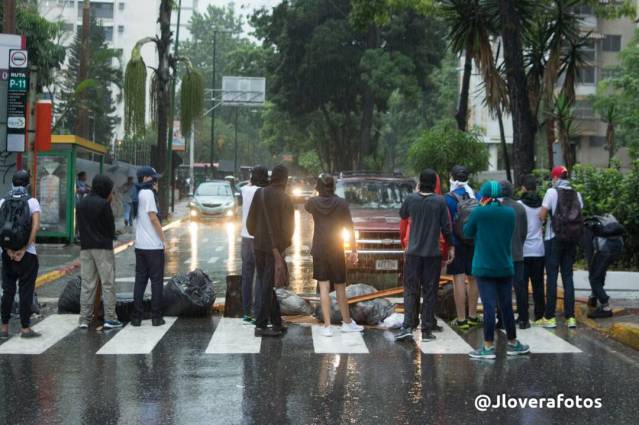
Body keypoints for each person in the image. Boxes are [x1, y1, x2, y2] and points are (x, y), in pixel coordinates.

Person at [464, 181, 530, 359]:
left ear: (484, 196)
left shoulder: (479, 212)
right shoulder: (509, 213)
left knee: (489, 306)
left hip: (484, 266)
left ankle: (487, 346)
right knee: (507, 305)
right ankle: (513, 343)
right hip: (504, 265)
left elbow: (467, 232)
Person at [395, 169, 454, 342]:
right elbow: (446, 228)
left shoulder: (411, 199)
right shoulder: (440, 201)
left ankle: (407, 325)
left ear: (420, 182)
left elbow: (403, 215)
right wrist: (450, 247)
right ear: (435, 184)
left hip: (413, 253)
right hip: (432, 254)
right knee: (430, 291)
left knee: (411, 289)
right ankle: (426, 329)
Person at [305, 174, 364, 337]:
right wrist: (353, 249)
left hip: (319, 249)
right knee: (340, 287)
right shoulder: (341, 203)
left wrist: (316, 190)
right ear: (333, 186)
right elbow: (349, 228)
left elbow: (307, 204)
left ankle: (327, 326)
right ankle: (346, 322)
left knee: (323, 287)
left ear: (318, 186)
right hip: (336, 249)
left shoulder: (313, 203)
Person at [247, 165, 294, 337]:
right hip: (275, 250)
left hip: (259, 246)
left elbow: (250, 224)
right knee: (267, 285)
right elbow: (289, 230)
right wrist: (281, 248)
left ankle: (276, 322)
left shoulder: (259, 194)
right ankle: (260, 325)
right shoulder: (285, 199)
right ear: (285, 179)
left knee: (266, 283)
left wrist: (259, 235)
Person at [539, 165, 583, 329]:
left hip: (553, 239)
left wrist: (540, 218)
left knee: (551, 277)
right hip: (571, 240)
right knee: (567, 276)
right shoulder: (576, 194)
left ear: (556, 178)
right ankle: (570, 317)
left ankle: (549, 317)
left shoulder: (552, 192)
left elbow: (542, 215)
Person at [77, 175, 122, 329]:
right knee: (108, 283)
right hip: (103, 248)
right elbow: (111, 229)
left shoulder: (82, 203)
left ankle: (84, 318)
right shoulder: (103, 204)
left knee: (88, 284)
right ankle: (110, 317)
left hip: (85, 248)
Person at [0, 170, 42, 339]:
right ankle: (25, 329)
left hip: (7, 253)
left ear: (12, 183)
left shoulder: (3, 201)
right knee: (26, 291)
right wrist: (23, 249)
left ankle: (3, 327)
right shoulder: (32, 202)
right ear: (27, 184)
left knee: (7, 290)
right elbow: (36, 227)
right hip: (27, 255)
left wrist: (8, 250)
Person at [445, 165, 481, 331]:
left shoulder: (448, 198)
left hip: (457, 243)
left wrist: (449, 244)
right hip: (474, 242)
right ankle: (473, 316)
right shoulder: (477, 195)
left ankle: (461, 320)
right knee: (473, 278)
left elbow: (446, 223)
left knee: (458, 279)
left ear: (452, 178)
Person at [132, 166, 167, 327]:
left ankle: (136, 317)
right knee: (156, 282)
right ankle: (156, 317)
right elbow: (153, 218)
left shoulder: (138, 193)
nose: (156, 182)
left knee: (140, 281)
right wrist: (163, 239)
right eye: (154, 179)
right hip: (153, 246)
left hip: (140, 246)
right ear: (146, 178)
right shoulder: (148, 194)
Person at [240, 165, 269, 324]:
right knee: (260, 275)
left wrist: (250, 181)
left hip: (245, 236)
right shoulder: (265, 192)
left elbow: (247, 185)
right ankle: (258, 311)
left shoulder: (245, 190)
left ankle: (246, 312)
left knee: (247, 275)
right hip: (260, 237)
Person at [500, 180, 528, 329]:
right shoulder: (519, 208)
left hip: (501, 254)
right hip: (517, 253)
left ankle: (502, 319)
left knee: (501, 288)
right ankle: (524, 318)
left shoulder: (497, 208)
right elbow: (524, 232)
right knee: (520, 287)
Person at [518, 175, 546, 326]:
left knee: (521, 286)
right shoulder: (543, 204)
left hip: (523, 251)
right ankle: (539, 315)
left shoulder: (519, 205)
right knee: (538, 285)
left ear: (524, 188)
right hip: (539, 250)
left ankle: (523, 317)